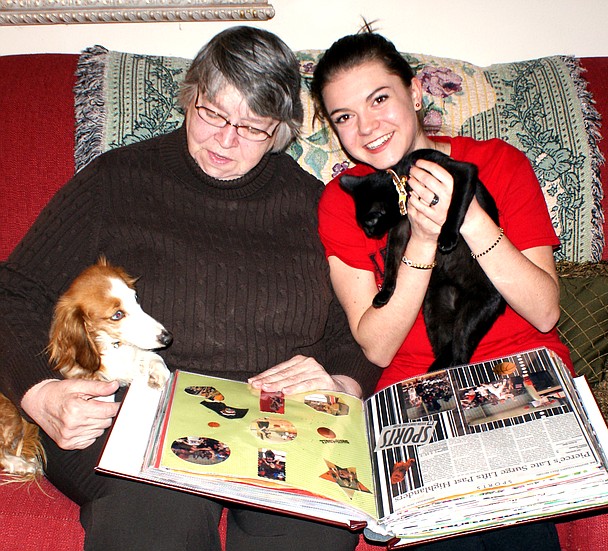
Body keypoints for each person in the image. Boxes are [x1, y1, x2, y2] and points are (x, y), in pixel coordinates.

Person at [0, 26, 377, 551]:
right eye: (212, 114)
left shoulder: (315, 206)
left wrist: (341, 382)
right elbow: (13, 294)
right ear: (189, 95)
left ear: (281, 132)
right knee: (157, 515)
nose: (225, 140)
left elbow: (359, 330)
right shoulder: (117, 179)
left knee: (308, 530)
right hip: (133, 407)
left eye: (251, 128)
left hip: (277, 417)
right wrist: (41, 394)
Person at [310, 28, 572, 550]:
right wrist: (423, 243)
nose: (366, 127)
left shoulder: (499, 163)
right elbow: (377, 344)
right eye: (344, 117)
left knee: (516, 531)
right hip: (417, 395)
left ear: (413, 91)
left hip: (518, 378)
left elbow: (544, 311)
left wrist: (469, 216)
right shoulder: (345, 202)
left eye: (379, 99)